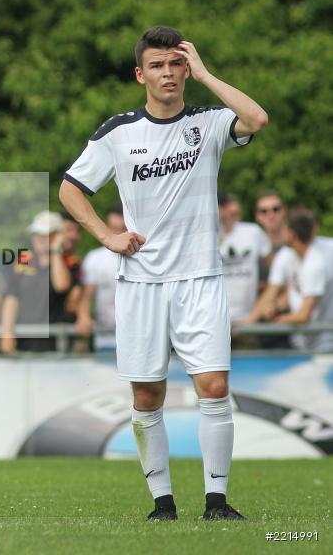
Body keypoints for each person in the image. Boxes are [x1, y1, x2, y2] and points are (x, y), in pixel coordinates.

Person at [59, 26, 267, 521]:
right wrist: (107, 237)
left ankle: (216, 501)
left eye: (176, 64)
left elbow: (256, 118)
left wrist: (206, 72)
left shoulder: (212, 121)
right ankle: (163, 504)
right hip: (142, 283)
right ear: (140, 74)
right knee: (147, 394)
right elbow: (70, 190)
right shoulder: (117, 133)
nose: (168, 73)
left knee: (214, 387)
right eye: (158, 65)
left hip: (200, 279)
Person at [243, 207, 333, 352]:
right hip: (301, 342)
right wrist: (275, 306)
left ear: (291, 234)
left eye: (284, 228)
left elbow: (304, 316)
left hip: (325, 343)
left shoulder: (315, 263)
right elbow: (284, 290)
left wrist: (276, 321)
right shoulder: (287, 255)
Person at [0, 211, 76, 354]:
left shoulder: (69, 262)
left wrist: (55, 251)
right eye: (37, 233)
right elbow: (11, 297)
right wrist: (7, 333)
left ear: (58, 236)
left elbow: (61, 286)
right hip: (22, 340)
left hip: (56, 344)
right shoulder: (21, 260)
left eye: (46, 234)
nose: (40, 238)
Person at [75, 205, 125, 353]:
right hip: (105, 339)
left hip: (141, 339)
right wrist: (83, 316)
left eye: (122, 229)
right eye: (114, 229)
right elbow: (87, 294)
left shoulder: (143, 255)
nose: (118, 234)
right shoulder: (95, 258)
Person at [218, 192, 271, 329]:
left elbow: (271, 266)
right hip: (215, 322)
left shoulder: (252, 231)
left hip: (248, 320)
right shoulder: (204, 235)